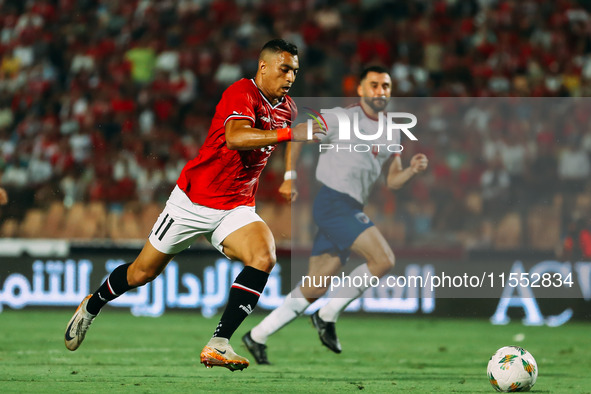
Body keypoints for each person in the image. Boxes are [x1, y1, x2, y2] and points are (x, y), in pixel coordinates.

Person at [64, 39, 324, 372]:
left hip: (236, 206)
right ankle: (92, 304)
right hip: (192, 201)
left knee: (264, 256)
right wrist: (291, 135)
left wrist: (288, 173)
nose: (290, 77)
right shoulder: (241, 93)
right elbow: (236, 137)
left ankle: (218, 343)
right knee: (141, 273)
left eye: (295, 71)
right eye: (284, 68)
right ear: (263, 67)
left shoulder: (288, 108)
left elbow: (293, 135)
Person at [243, 66, 429, 364]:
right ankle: (327, 316)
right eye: (374, 85)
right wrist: (290, 176)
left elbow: (392, 181)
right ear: (360, 89)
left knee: (315, 285)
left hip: (351, 207)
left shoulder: (393, 130)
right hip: (332, 202)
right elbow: (297, 136)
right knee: (383, 260)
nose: (380, 91)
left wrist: (411, 170)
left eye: (386, 86)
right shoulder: (340, 117)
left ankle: (257, 336)